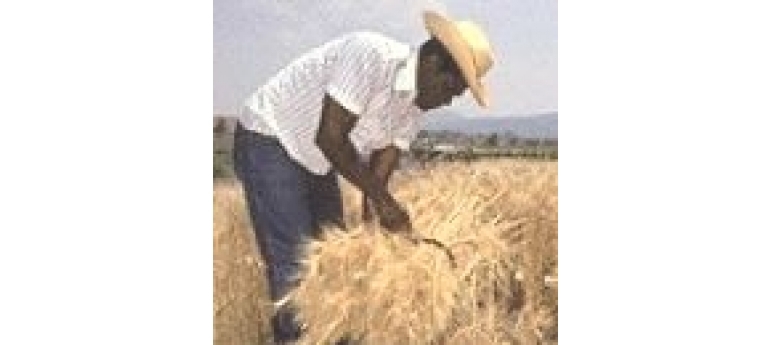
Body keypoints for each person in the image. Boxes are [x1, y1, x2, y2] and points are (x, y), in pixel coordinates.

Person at [232, 10, 494, 344]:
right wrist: (386, 205)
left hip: (316, 161)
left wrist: (383, 245)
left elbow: (377, 181)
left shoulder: (412, 114)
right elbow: (330, 137)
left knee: (334, 259)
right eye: (451, 88)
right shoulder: (369, 54)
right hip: (270, 137)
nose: (446, 101)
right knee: (295, 269)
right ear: (432, 62)